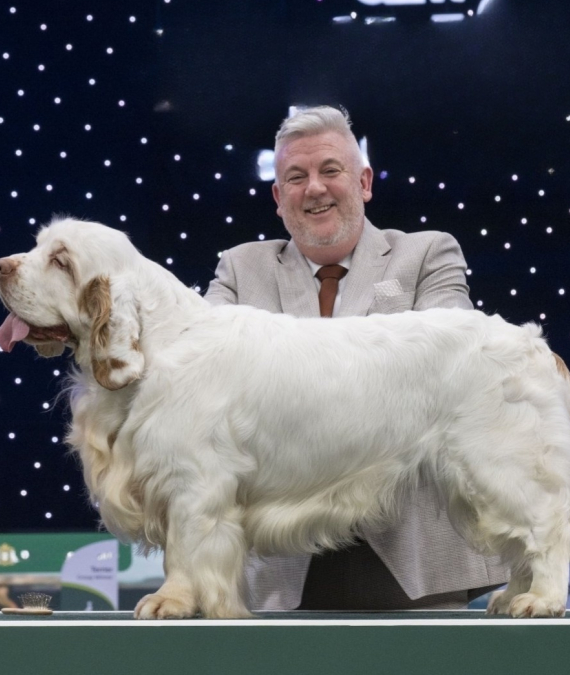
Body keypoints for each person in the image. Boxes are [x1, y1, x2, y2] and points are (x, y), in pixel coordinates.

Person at [204, 105, 509, 611]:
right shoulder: (240, 268)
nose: (315, 189)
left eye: (330, 170)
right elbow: (203, 375)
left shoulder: (428, 255)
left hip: (409, 555)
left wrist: (276, 386)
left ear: (364, 181)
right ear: (279, 199)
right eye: (296, 177)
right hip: (279, 565)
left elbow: (446, 368)